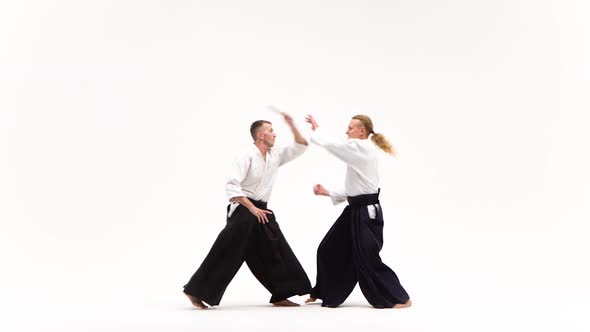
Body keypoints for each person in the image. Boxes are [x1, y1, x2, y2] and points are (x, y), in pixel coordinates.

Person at [183, 111, 312, 309]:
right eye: (271, 131)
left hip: (262, 210)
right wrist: (251, 208)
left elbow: (301, 146)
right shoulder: (245, 155)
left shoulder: (274, 155)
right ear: (260, 135)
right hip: (243, 209)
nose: (274, 134)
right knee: (227, 252)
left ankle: (281, 294)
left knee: (275, 249)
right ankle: (195, 291)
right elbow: (232, 186)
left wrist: (292, 124)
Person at [303, 114, 412, 309]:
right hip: (354, 210)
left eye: (350, 127)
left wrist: (317, 129)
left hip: (366, 214)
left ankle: (398, 298)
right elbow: (358, 187)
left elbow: (333, 146)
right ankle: (324, 292)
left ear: (362, 131)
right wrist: (328, 192)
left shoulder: (362, 148)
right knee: (327, 248)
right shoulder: (360, 150)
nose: (346, 131)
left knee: (367, 258)